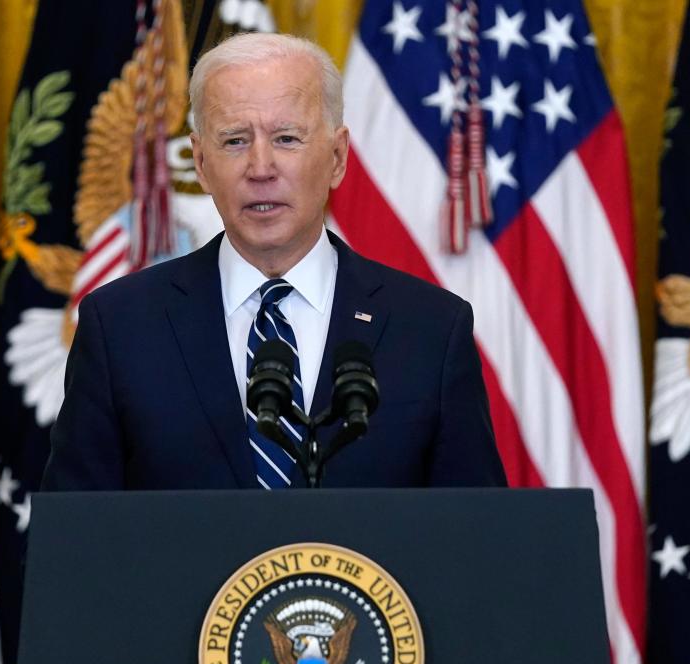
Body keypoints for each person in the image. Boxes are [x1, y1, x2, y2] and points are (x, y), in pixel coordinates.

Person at [40, 33, 505, 491]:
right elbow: (74, 545)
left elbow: (476, 543)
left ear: (338, 157)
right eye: (235, 141)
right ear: (200, 162)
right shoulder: (120, 327)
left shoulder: (430, 330)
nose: (261, 168)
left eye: (286, 138)